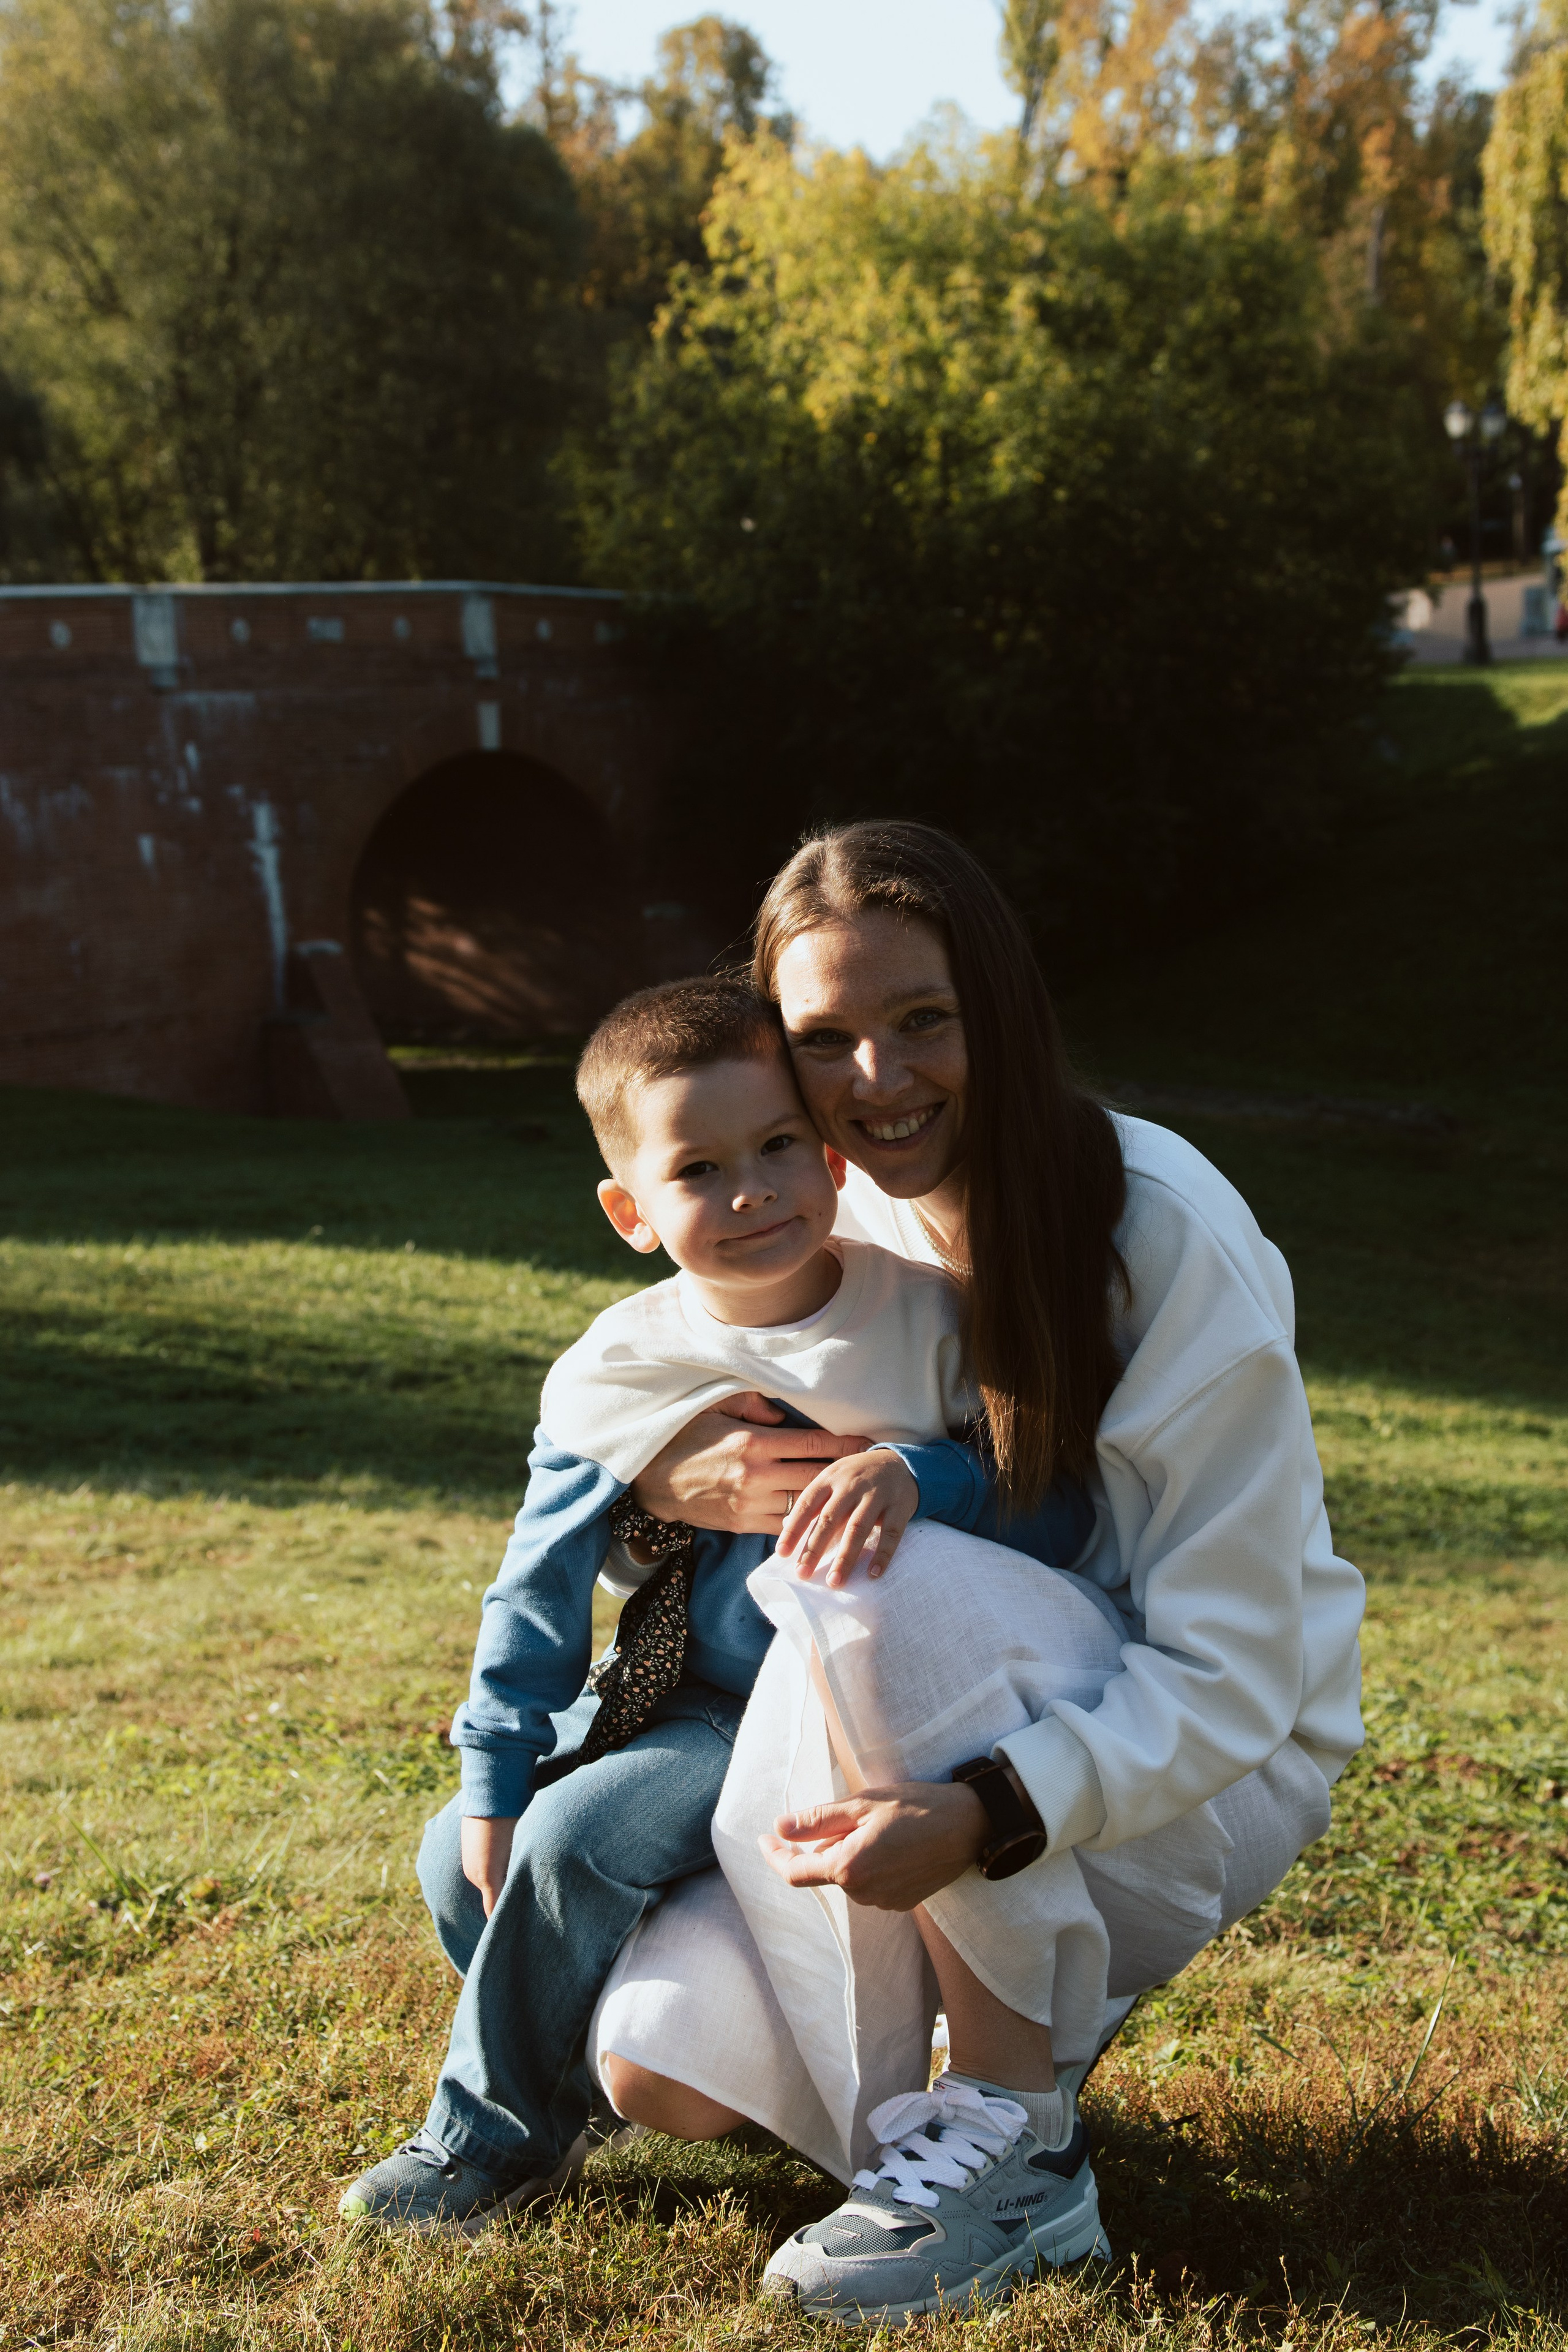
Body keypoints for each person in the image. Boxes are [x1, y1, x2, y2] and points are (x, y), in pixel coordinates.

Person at [584, 822, 1366, 2326]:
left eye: (921, 1020)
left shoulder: (1158, 1229)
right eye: (825, 1039)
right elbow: (647, 1402)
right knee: (657, 2073)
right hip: (899, 1709)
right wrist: (663, 1482)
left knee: (881, 1572)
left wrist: (992, 1813)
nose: (877, 1079)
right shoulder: (819, 1203)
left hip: (1190, 1766)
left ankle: (1020, 2141)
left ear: (996, 1009)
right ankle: (985, 2018)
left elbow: (1240, 1673)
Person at [339, 973, 1093, 2236]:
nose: (751, 1191)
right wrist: (493, 1768)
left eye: (779, 1145)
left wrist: (923, 1474)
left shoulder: (929, 1325)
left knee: (572, 1838)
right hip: (668, 1695)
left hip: (821, 1720)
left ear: (832, 1158)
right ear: (629, 1211)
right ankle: (590, 2064)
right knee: (460, 1854)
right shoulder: (620, 1367)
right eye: (698, 1170)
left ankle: (487, 2141)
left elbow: (1059, 1514)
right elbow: (534, 1589)